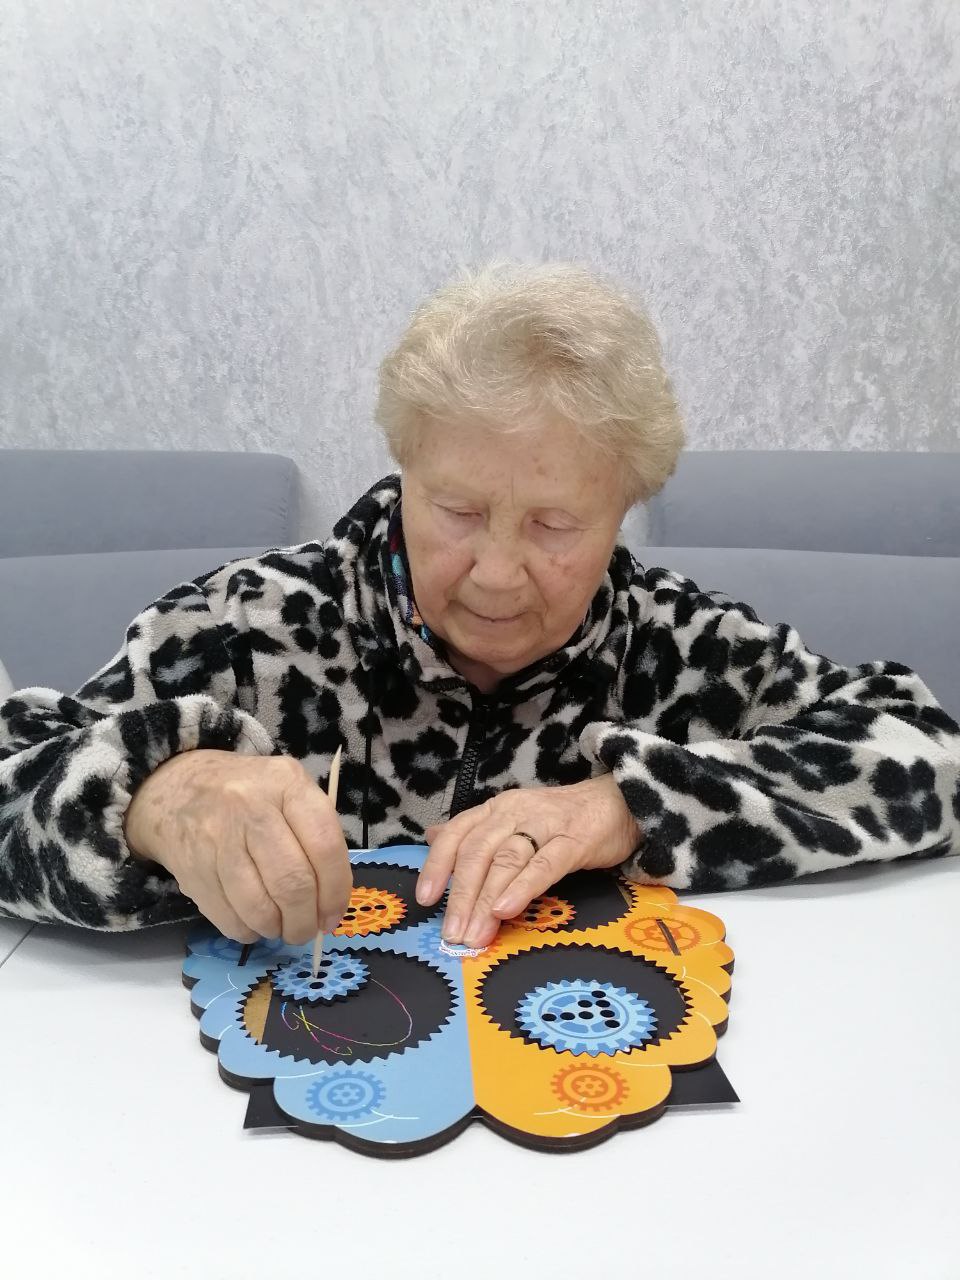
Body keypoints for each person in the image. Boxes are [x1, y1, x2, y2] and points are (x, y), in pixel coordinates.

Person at [1, 263, 958, 951]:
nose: (496, 575)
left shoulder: (685, 647)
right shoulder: (244, 628)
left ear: (624, 510)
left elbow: (931, 755)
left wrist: (629, 804)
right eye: (456, 511)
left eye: (555, 525)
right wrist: (156, 799)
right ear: (404, 471)